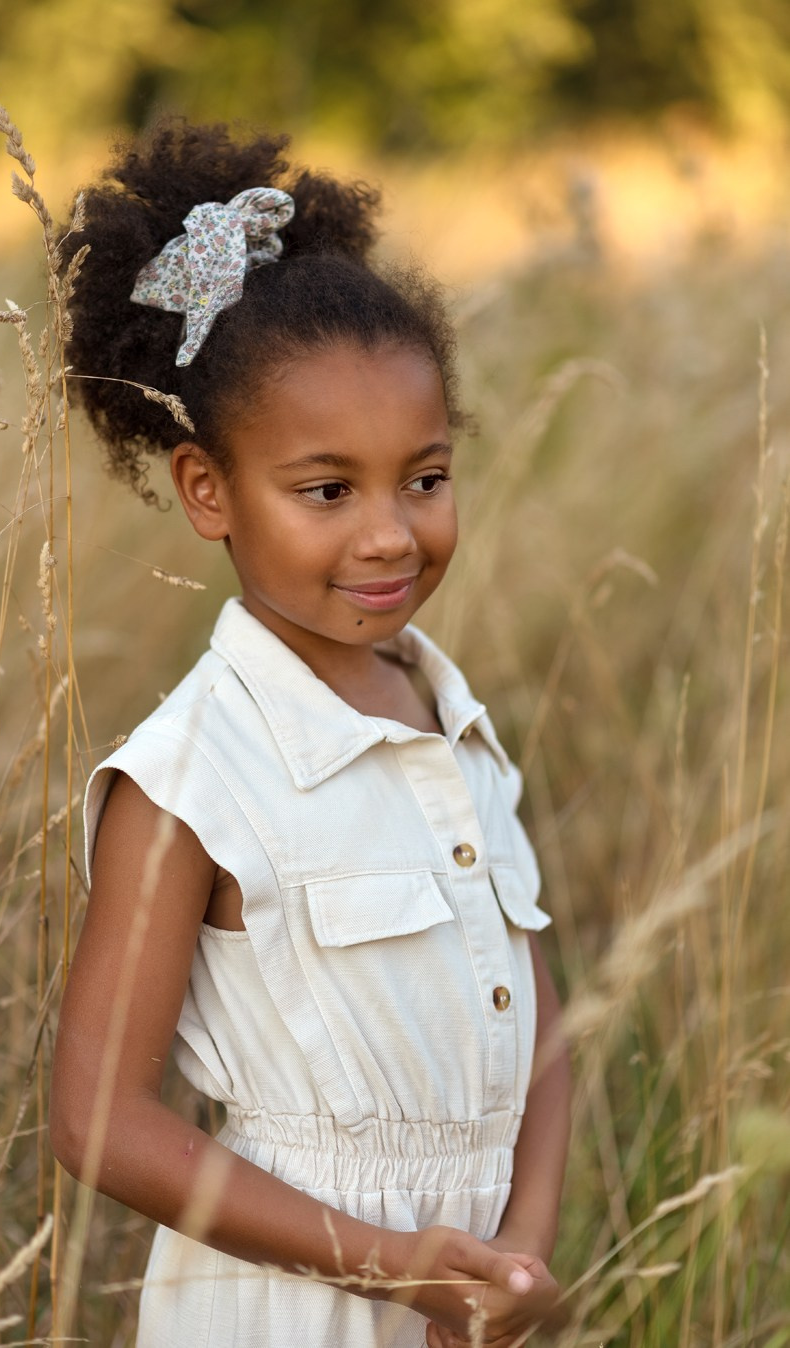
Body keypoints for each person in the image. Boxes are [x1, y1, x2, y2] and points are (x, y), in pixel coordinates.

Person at [49, 121, 571, 1348]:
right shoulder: (189, 781)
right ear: (207, 490)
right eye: (328, 491)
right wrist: (394, 1267)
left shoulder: (452, 723)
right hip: (286, 1308)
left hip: (465, 1301)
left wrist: (514, 1269)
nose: (391, 533)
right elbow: (97, 1119)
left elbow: (539, 1022)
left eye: (426, 477)